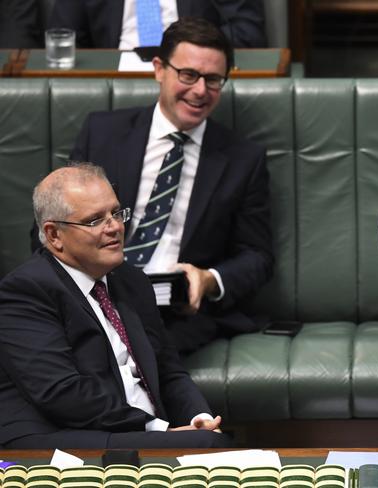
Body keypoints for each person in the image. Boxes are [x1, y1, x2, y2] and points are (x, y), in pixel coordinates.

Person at [31, 17, 273, 355]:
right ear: (159, 68)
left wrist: (208, 279)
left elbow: (257, 256)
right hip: (94, 293)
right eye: (188, 75)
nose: (201, 90)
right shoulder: (103, 134)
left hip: (176, 311)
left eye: (214, 80)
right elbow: (50, 227)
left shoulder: (243, 159)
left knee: (133, 357)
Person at [0, 164, 230, 449]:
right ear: (54, 235)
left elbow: (169, 371)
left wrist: (199, 417)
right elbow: (62, 393)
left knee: (210, 440)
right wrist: (158, 429)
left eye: (116, 213)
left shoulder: (132, 281)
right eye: (95, 220)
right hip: (59, 436)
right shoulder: (25, 290)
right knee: (207, 447)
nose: (115, 228)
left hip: (134, 429)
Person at [48, 0, 266, 49]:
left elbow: (247, 32)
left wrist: (191, 52)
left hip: (191, 77)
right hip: (112, 82)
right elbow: (64, 39)